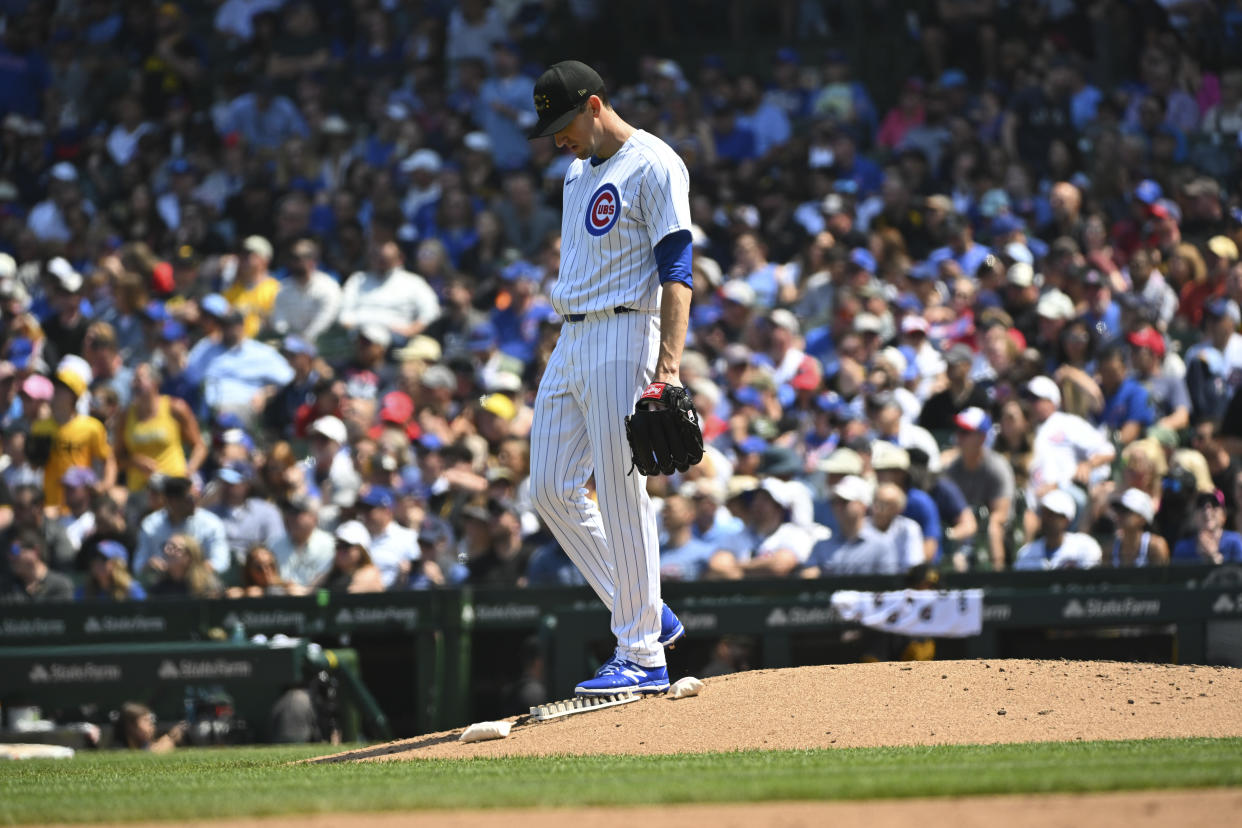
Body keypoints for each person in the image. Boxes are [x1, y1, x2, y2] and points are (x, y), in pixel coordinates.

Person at [524, 60, 695, 696]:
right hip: (574, 332)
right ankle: (647, 609)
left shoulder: (655, 163)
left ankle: (644, 652)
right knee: (549, 488)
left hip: (627, 329)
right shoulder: (575, 175)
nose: (557, 138)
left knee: (622, 492)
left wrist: (667, 371)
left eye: (564, 123)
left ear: (594, 105)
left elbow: (677, 266)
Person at [27, 368, 116, 509]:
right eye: (55, 386)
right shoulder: (40, 427)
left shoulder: (91, 427)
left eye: (62, 388)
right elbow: (33, 467)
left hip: (78, 506)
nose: (56, 391)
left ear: (73, 395)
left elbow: (108, 459)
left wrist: (105, 486)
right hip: (50, 504)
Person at [116, 363, 206, 492]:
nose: (134, 385)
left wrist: (188, 473)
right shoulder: (125, 416)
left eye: (139, 379)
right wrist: (134, 461)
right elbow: (117, 458)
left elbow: (199, 446)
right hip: (140, 492)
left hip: (173, 487)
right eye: (133, 380)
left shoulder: (175, 408)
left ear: (155, 382)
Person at [945, 407, 1015, 570]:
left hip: (996, 531)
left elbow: (1001, 515)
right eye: (959, 431)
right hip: (964, 527)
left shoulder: (996, 467)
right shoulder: (952, 469)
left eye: (965, 432)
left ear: (982, 437)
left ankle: (998, 581)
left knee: (993, 527)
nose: (959, 437)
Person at [802, 476, 902, 576]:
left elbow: (887, 586)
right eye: (835, 501)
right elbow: (808, 581)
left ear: (863, 505)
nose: (838, 507)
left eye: (845, 501)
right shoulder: (821, 546)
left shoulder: (882, 545)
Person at [134, 476, 230, 576]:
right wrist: (149, 565)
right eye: (190, 498)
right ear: (171, 501)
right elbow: (138, 565)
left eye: (197, 496)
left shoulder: (211, 523)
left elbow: (221, 563)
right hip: (161, 584)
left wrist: (193, 569)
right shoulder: (151, 524)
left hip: (200, 584)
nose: (195, 502)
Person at [1013, 490, 1102, 570]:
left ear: (1067, 520)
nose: (1046, 519)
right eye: (1044, 514)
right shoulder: (1026, 553)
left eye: (1052, 515)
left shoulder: (1085, 546)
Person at [270, 495, 334, 589]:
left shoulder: (330, 544)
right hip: (282, 600)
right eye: (289, 512)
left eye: (297, 513)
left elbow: (330, 585)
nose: (291, 517)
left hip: (317, 600)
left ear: (314, 518)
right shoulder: (273, 544)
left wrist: (306, 593)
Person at [1, 528, 74, 602]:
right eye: (9, 552)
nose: (11, 557)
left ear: (35, 552)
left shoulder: (60, 586)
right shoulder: (6, 587)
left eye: (15, 551)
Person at [1172, 489, 1242, 565]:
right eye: (1201, 504)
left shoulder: (1234, 542)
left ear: (1224, 515)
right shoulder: (1182, 549)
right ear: (1193, 516)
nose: (1207, 510)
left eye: (1214, 504)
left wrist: (1214, 556)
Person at [313, 520, 384, 593]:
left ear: (361, 549)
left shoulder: (369, 574)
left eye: (346, 545)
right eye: (338, 545)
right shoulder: (328, 576)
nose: (340, 550)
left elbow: (350, 597)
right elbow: (312, 596)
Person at [146, 533, 222, 598]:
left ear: (190, 556)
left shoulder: (207, 586)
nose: (166, 551)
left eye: (174, 548)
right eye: (166, 546)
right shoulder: (159, 587)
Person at [1108, 488, 1169, 567]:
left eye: (1125, 510)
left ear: (1142, 518)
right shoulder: (1110, 548)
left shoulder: (1156, 547)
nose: (1119, 515)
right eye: (1118, 509)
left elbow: (1162, 578)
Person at [78, 539, 147, 601]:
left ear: (117, 563)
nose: (97, 563)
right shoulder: (83, 592)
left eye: (103, 559)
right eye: (94, 558)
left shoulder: (132, 591)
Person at [226, 545, 304, 598]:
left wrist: (285, 586)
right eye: (259, 567)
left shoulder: (286, 588)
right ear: (249, 571)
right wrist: (244, 595)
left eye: (271, 565)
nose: (266, 571)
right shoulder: (242, 592)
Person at [116, 702, 186, 753]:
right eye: (145, 720)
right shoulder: (117, 748)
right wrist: (168, 742)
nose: (151, 725)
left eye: (151, 721)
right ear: (131, 726)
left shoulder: (144, 744)